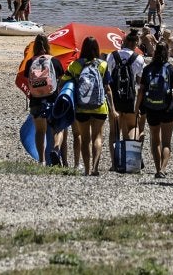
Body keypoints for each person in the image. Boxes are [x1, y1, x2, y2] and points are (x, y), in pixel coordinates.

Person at [63, 36, 109, 176]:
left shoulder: (75, 65)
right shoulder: (103, 65)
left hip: (81, 107)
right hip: (99, 107)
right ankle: (95, 167)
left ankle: (87, 170)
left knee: (84, 139)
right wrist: (112, 109)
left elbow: (64, 82)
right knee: (97, 137)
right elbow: (107, 87)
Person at [136, 42, 173, 178]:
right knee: (166, 142)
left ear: (155, 52)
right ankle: (162, 169)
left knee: (155, 140)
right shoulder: (172, 69)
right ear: (167, 52)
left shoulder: (148, 69)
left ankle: (157, 169)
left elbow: (141, 91)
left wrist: (136, 108)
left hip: (151, 107)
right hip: (167, 107)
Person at [106, 29, 145, 167]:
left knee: (114, 131)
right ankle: (131, 160)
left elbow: (108, 77)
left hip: (115, 98)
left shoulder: (112, 56)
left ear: (123, 42)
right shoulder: (138, 58)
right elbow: (140, 82)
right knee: (132, 127)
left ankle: (114, 163)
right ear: (135, 44)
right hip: (130, 98)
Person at [23, 33, 61, 165]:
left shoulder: (30, 62)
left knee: (40, 131)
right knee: (55, 128)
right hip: (52, 99)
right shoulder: (54, 61)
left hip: (36, 100)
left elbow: (28, 81)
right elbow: (60, 80)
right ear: (47, 45)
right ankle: (55, 149)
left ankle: (42, 160)